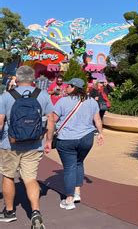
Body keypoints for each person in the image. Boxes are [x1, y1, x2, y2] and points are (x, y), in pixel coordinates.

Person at [0, 65, 53, 228]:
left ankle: (9, 212)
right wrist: (49, 140)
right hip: (35, 144)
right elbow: (50, 119)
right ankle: (36, 212)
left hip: (10, 144)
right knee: (30, 178)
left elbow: (1, 121)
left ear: (17, 77)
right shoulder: (43, 96)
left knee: (8, 176)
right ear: (33, 78)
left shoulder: (6, 96)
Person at [45, 78, 104, 210]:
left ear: (73, 87)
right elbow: (97, 119)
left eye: (68, 86)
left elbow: (52, 120)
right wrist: (100, 133)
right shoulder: (91, 102)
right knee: (79, 162)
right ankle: (77, 192)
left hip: (67, 139)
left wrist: (48, 139)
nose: (65, 88)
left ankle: (69, 199)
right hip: (87, 138)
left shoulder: (63, 101)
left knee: (69, 167)